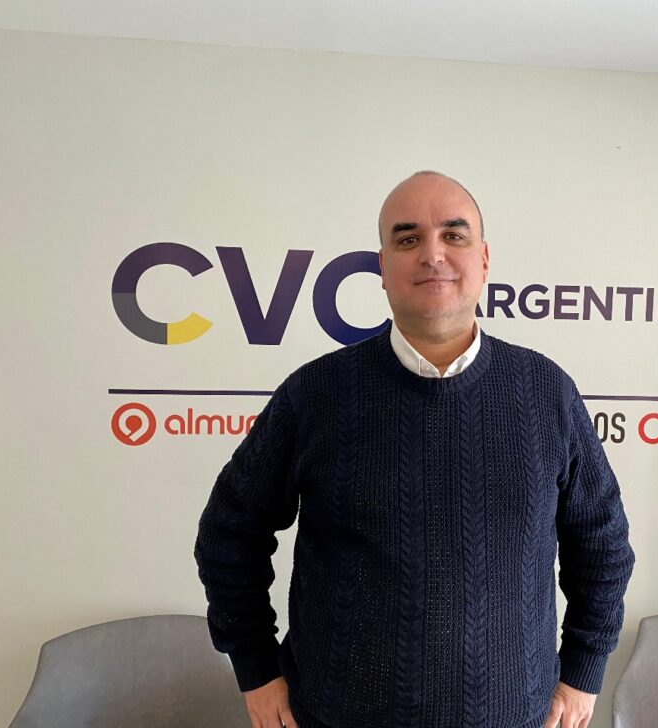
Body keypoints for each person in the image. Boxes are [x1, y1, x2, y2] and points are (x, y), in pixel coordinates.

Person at [194, 171, 635, 728]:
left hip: (515, 718)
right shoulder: (315, 395)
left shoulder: (547, 393)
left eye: (454, 235)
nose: (432, 254)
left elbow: (603, 546)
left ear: (484, 259)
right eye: (408, 239)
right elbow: (229, 533)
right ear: (382, 268)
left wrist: (583, 673)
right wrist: (256, 668)